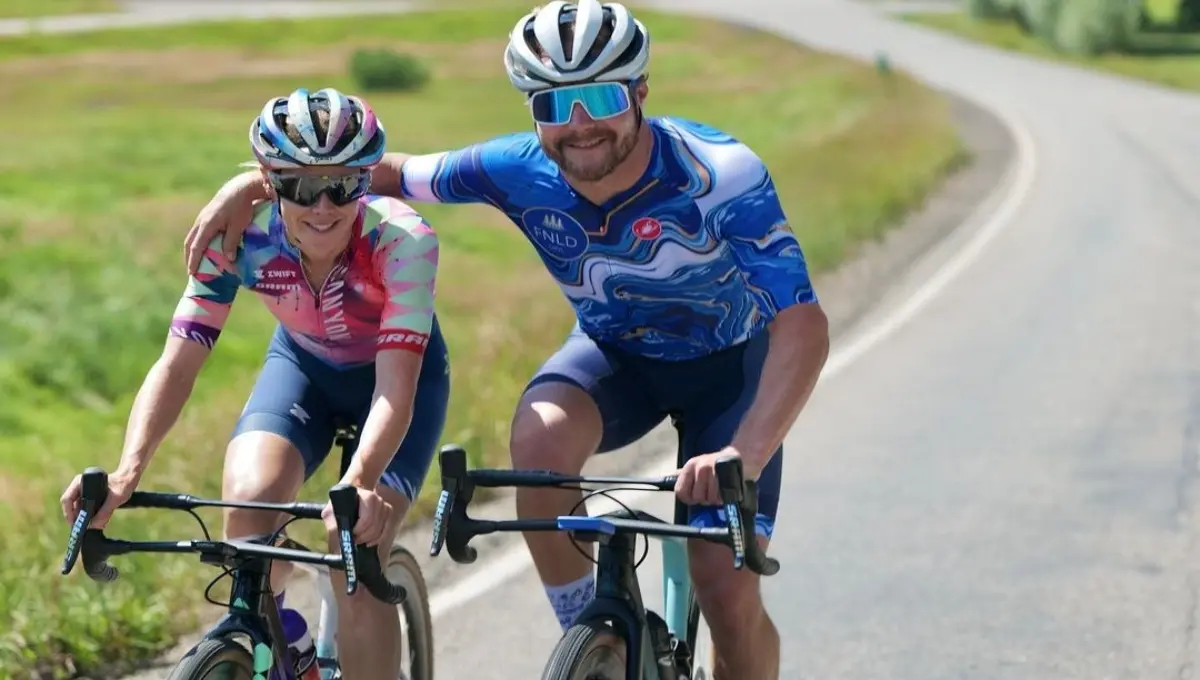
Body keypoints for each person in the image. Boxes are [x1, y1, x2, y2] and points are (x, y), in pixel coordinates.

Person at [184, 2, 829, 678]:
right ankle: (595, 645)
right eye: (555, 104)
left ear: (641, 93)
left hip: (733, 371)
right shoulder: (514, 167)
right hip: (618, 358)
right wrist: (252, 186)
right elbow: (369, 171)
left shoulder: (721, 174)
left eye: (601, 97)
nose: (579, 125)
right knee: (537, 440)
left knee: (725, 590)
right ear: (532, 110)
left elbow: (803, 325)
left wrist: (744, 453)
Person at [63, 87, 450, 680]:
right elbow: (178, 362)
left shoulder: (403, 242)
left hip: (401, 387)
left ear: (366, 182)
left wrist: (360, 482)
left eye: (343, 185)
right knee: (247, 509)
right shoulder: (238, 239)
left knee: (357, 559)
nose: (322, 206)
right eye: (299, 186)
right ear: (269, 182)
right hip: (304, 373)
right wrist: (126, 472)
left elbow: (395, 388)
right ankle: (284, 646)